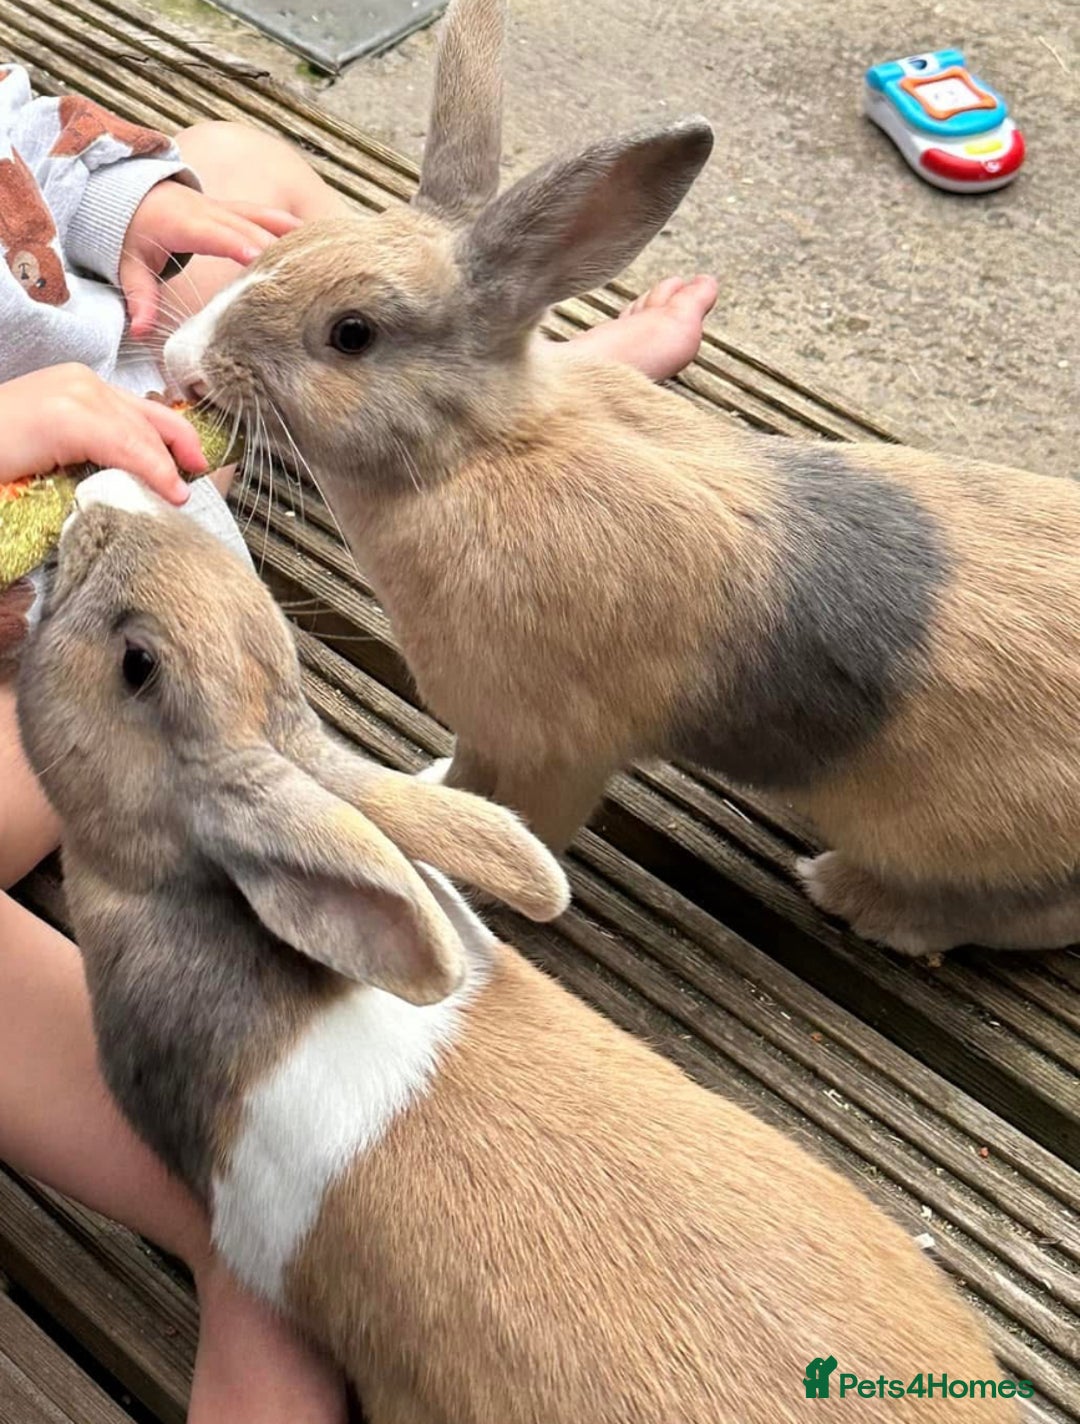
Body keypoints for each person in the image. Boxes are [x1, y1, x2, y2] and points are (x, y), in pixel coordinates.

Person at [0, 65, 718, 1422]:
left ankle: (479, 392)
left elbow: (23, 131)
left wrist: (133, 202)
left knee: (248, 171)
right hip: (78, 663)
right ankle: (249, 1226)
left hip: (135, 447)